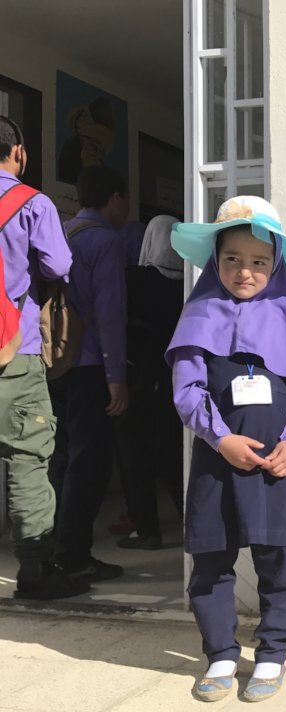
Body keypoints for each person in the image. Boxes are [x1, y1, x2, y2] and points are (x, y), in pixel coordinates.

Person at [167, 195, 286, 702]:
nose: (245, 272)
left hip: (275, 467)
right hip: (216, 463)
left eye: (258, 262)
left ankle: (273, 653)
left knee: (279, 559)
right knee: (211, 561)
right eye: (232, 259)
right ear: (215, 260)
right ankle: (222, 654)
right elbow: (187, 392)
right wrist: (221, 438)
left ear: (275, 264)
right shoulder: (199, 314)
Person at [0, 115, 87, 600]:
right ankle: (35, 569)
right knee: (27, 458)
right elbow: (57, 265)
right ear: (19, 153)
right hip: (14, 352)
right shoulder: (32, 204)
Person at [48, 165, 130, 582]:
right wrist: (117, 376)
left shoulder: (60, 233)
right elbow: (111, 313)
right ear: (115, 198)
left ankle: (50, 545)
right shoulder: (105, 241)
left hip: (53, 360)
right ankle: (74, 553)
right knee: (89, 462)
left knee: (60, 457)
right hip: (90, 364)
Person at [114, 215, 185, 550]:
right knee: (174, 454)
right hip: (174, 380)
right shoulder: (190, 284)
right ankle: (191, 521)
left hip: (138, 378)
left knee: (134, 453)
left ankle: (146, 529)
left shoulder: (136, 279)